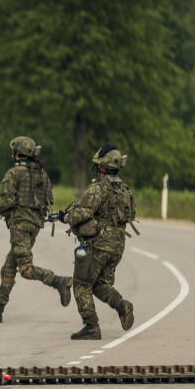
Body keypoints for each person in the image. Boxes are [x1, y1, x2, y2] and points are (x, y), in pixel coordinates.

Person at [0, 136, 72, 323]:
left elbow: (7, 202)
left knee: (25, 268)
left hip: (20, 226)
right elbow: (50, 199)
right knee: (10, 264)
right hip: (35, 225)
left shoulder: (13, 173)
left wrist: (2, 211)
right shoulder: (42, 174)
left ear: (17, 153)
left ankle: (58, 281)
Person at [59, 144, 136, 340]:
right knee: (100, 283)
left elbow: (81, 213)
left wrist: (63, 216)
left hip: (99, 244)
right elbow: (131, 214)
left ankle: (91, 326)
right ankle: (121, 304)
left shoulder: (98, 188)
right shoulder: (125, 190)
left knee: (82, 284)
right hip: (118, 246)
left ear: (101, 167)